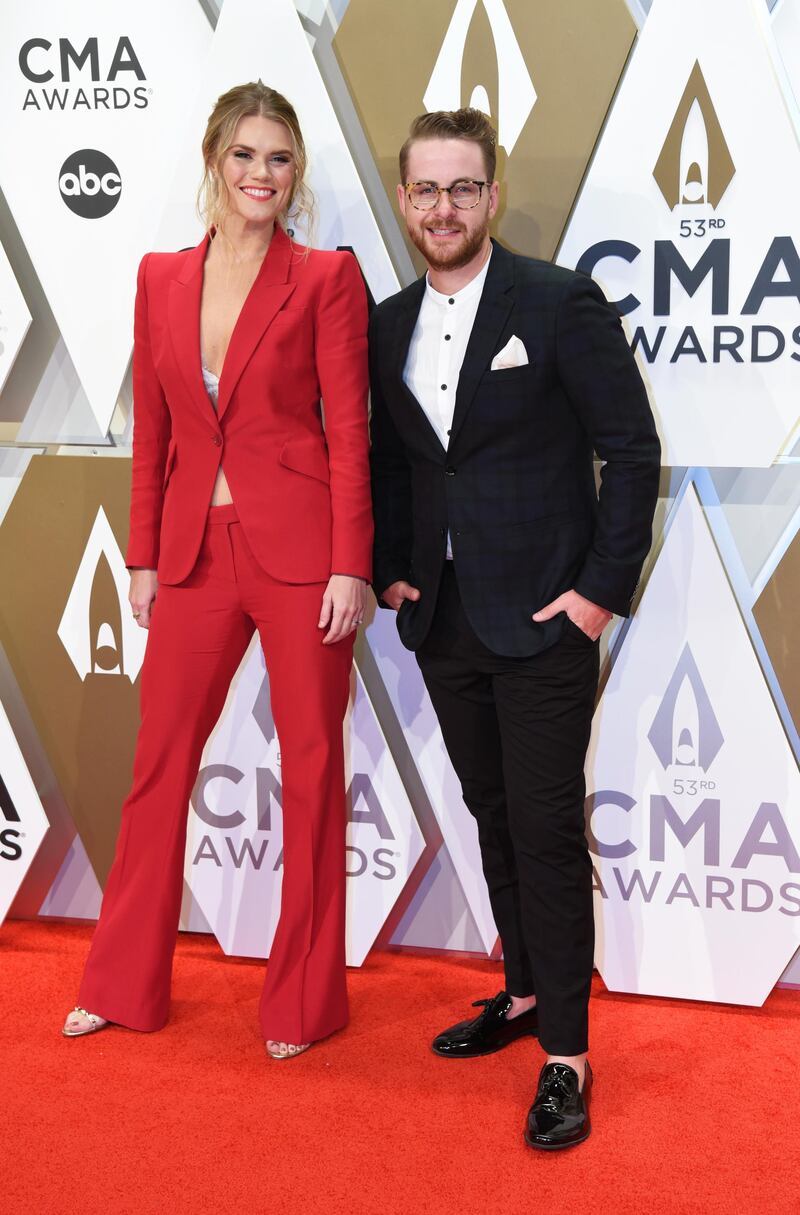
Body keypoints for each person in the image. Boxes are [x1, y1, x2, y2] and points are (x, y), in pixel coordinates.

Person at [62, 81, 372, 1060]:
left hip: (299, 554)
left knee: (313, 771)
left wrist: (348, 565)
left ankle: (303, 1005)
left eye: (279, 159)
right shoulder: (159, 277)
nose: (261, 175)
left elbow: (348, 432)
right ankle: (120, 984)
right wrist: (143, 556)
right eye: (245, 155)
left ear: (296, 174)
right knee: (157, 770)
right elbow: (153, 430)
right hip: (193, 552)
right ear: (213, 161)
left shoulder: (323, 278)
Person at [369, 108, 660, 1147]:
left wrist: (593, 593)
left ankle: (566, 1059)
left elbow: (629, 451)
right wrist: (392, 572)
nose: (440, 207)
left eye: (460, 187)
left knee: (541, 827)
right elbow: (396, 464)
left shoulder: (557, 301)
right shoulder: (387, 322)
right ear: (402, 200)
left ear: (490, 196)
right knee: (491, 812)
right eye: (423, 189)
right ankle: (526, 992)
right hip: (444, 621)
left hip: (544, 621)